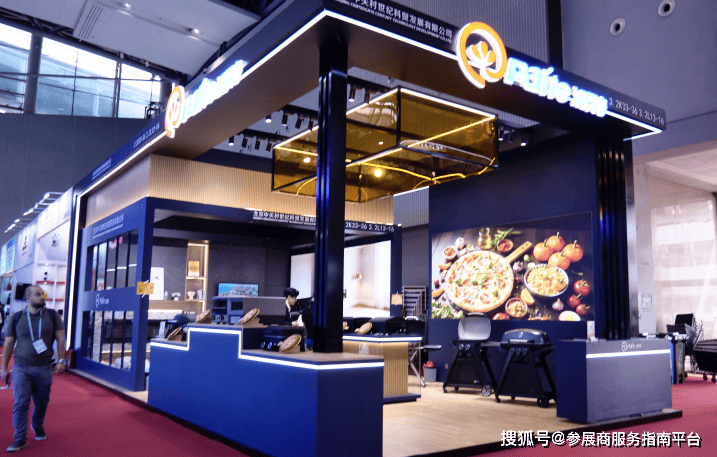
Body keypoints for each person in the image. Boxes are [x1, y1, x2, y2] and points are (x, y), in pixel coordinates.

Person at [1, 285, 65, 453]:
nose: (42, 297)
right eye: (37, 294)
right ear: (27, 298)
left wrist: (61, 360)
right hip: (21, 368)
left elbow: (60, 338)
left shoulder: (52, 315)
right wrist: (3, 367)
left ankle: (37, 425)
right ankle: (20, 437)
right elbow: (8, 343)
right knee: (21, 403)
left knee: (42, 401)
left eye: (42, 294)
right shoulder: (16, 317)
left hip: (44, 367)